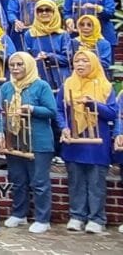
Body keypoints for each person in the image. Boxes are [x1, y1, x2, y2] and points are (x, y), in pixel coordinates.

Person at [56, 50, 117, 233]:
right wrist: (64, 127)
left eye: (85, 61)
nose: (80, 64)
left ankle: (97, 218)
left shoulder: (105, 86)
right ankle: (77, 216)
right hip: (74, 141)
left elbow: (113, 113)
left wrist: (94, 104)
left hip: (97, 143)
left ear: (94, 64)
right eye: (77, 61)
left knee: (96, 182)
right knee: (76, 181)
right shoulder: (67, 84)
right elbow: (59, 110)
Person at [0, 52, 57, 234]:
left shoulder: (41, 86)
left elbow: (51, 111)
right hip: (14, 140)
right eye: (12, 65)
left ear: (28, 65)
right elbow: (0, 111)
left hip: (38, 141)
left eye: (19, 65)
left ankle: (42, 218)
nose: (15, 69)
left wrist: (32, 109)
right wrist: (0, 131)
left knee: (39, 181)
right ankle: (19, 214)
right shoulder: (6, 87)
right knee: (17, 179)